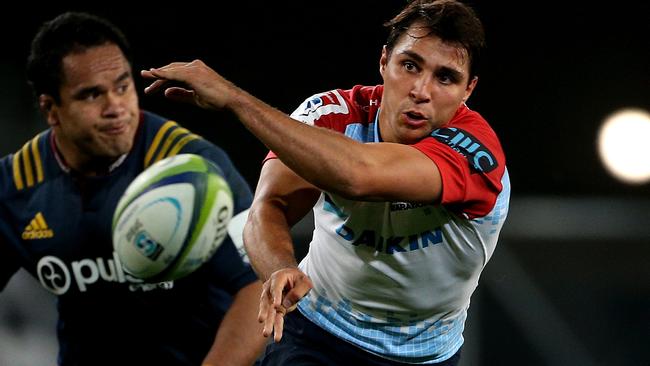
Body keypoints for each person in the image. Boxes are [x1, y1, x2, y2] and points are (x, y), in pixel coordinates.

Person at [142, 0, 510, 364]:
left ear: (468, 90)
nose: (421, 90)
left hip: (423, 353)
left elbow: (358, 175)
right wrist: (279, 268)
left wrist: (235, 100)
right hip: (319, 330)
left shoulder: (475, 152)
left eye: (445, 77)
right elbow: (269, 207)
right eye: (410, 65)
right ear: (384, 62)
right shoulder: (330, 115)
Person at [0, 12, 267, 366]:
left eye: (123, 86)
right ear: (51, 109)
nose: (117, 108)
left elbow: (258, 288)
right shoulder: (16, 184)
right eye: (92, 95)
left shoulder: (194, 170)